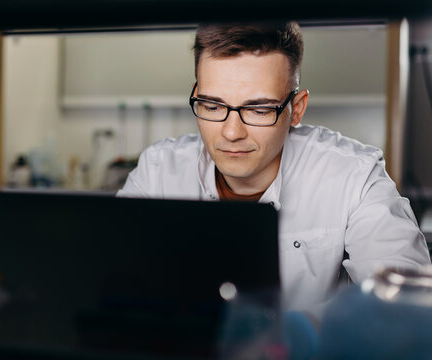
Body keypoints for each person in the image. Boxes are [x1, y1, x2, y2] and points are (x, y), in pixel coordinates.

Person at [117, 22, 430, 319]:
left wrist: (307, 329)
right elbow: (106, 282)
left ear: (296, 109)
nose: (231, 132)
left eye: (258, 109)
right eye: (212, 106)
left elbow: (408, 306)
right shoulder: (158, 172)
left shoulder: (354, 177)